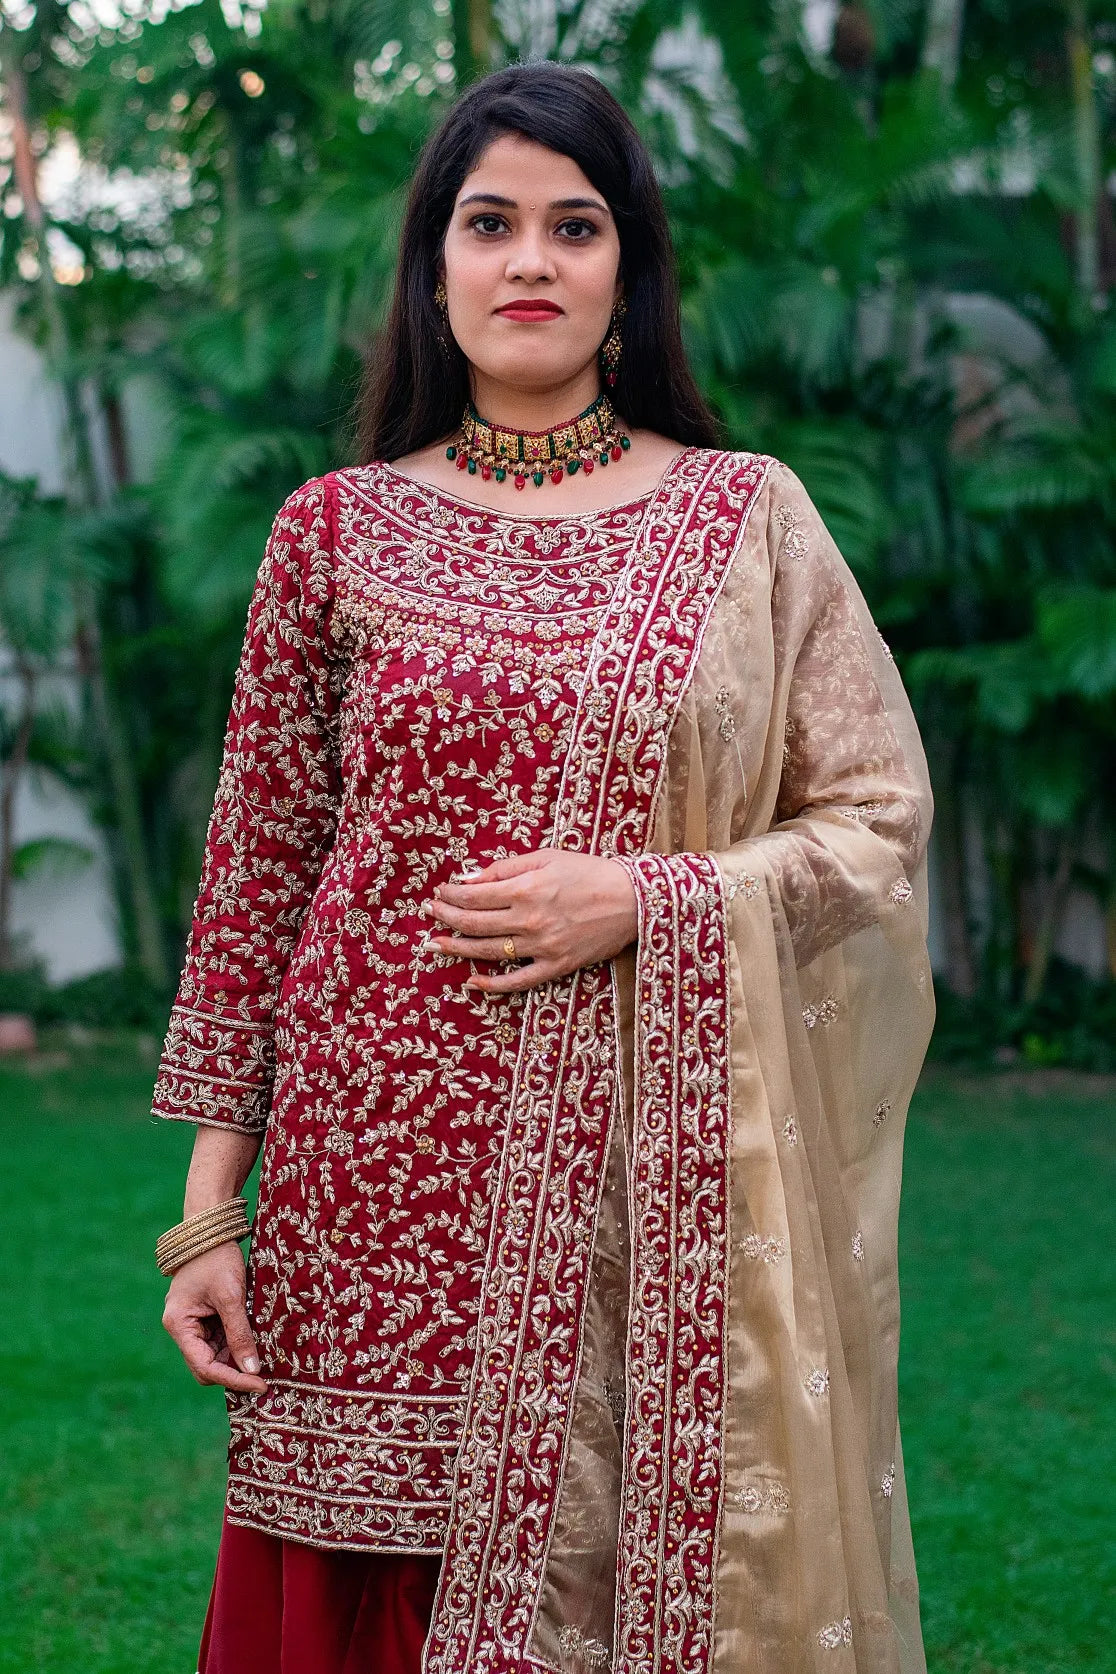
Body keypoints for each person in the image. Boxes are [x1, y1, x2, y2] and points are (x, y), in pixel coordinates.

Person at [153, 60, 935, 1674]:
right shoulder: (333, 529)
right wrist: (207, 1213)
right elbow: (259, 873)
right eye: (488, 222)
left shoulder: (746, 520)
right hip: (360, 1187)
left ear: (627, 272)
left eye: (574, 228)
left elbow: (875, 817)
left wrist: (645, 897)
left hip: (635, 1203)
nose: (529, 261)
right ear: (434, 268)